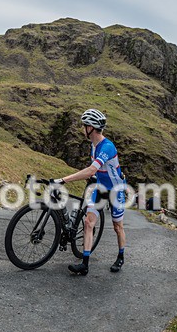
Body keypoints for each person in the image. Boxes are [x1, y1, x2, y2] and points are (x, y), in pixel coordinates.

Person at [51, 108, 126, 275]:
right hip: (100, 187)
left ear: (91, 128)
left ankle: (121, 256)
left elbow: (91, 169)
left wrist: (64, 180)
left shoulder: (107, 147)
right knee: (88, 223)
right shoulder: (93, 146)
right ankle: (84, 264)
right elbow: (97, 171)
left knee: (117, 226)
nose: (82, 129)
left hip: (115, 190)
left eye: (84, 126)